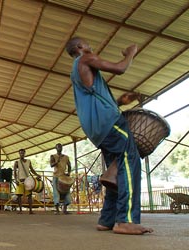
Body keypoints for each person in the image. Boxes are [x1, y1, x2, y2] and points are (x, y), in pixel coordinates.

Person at [66, 37, 153, 234]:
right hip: (109, 122)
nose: (90, 46)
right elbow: (120, 68)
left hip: (98, 128)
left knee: (115, 171)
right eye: (87, 44)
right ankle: (126, 220)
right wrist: (130, 51)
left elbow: (98, 99)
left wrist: (121, 102)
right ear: (80, 47)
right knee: (131, 162)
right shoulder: (86, 59)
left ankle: (107, 219)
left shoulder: (76, 70)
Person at [13, 149, 41, 214]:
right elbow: (14, 172)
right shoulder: (17, 162)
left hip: (28, 181)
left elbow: (32, 170)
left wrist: (37, 174)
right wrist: (16, 180)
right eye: (20, 153)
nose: (22, 154)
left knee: (29, 196)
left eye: (23, 153)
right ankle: (20, 210)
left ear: (25, 153)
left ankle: (30, 210)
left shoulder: (28, 161)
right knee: (19, 196)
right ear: (19, 154)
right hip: (20, 181)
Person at [50, 143, 72, 215]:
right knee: (56, 193)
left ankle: (65, 209)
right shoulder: (53, 156)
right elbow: (51, 165)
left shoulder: (66, 157)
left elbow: (69, 165)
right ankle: (57, 210)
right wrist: (57, 161)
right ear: (55, 148)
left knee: (67, 193)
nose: (59, 148)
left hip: (63, 177)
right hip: (56, 177)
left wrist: (68, 173)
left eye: (60, 147)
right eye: (58, 147)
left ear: (62, 148)